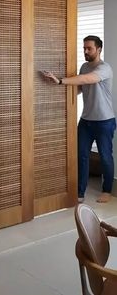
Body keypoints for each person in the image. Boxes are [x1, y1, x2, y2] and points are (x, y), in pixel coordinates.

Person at [42, 35, 116, 203]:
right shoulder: (84, 66)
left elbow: (88, 79)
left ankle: (107, 191)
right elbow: (81, 87)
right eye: (84, 48)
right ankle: (80, 192)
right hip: (86, 121)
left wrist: (61, 81)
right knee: (81, 155)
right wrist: (59, 96)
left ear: (99, 49)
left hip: (104, 121)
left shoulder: (105, 68)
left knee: (105, 156)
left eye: (89, 48)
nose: (86, 51)